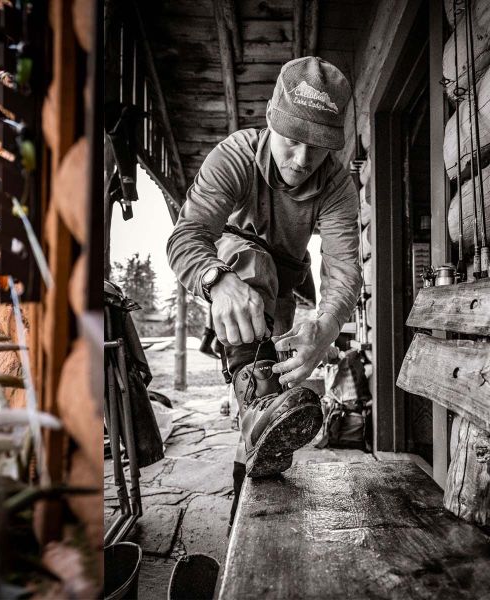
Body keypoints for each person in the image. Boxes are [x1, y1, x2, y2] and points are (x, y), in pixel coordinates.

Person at [166, 57, 361, 525]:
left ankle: (247, 505)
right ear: (273, 119)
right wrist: (216, 280)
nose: (301, 161)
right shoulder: (235, 155)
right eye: (292, 143)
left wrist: (327, 325)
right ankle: (254, 410)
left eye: (316, 149)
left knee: (264, 407)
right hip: (233, 272)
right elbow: (186, 236)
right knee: (252, 261)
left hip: (282, 287)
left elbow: (344, 271)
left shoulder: (336, 183)